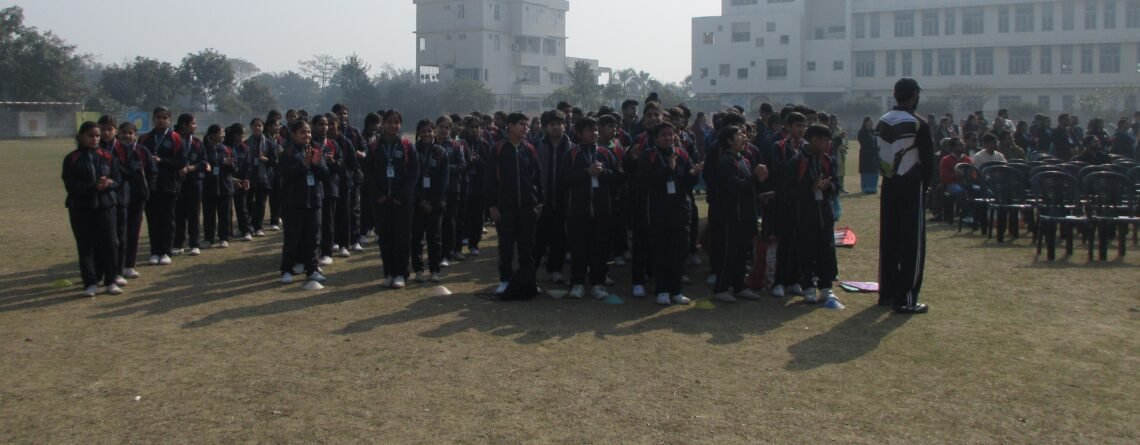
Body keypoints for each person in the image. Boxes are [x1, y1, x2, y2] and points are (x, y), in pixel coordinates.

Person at [876, 78, 934, 314]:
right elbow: (928, 161)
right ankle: (906, 298)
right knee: (912, 242)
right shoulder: (918, 122)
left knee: (889, 238)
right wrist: (926, 187)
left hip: (889, 183)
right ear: (915, 95)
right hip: (911, 184)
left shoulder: (883, 120)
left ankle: (887, 292)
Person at [639, 121, 702, 306]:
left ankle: (676, 290)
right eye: (664, 135)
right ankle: (662, 290)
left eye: (671, 134)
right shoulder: (648, 156)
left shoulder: (682, 153)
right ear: (656, 138)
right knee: (662, 253)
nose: (668, 138)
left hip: (680, 210)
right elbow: (646, 181)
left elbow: (688, 182)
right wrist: (668, 168)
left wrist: (693, 173)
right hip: (659, 211)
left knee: (679, 252)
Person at [560, 117, 619, 300]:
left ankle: (598, 283)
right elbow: (563, 180)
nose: (594, 133)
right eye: (589, 130)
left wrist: (603, 173)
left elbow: (617, 177)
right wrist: (586, 172)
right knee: (578, 249)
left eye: (595, 130)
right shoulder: (571, 154)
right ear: (578, 133)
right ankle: (577, 283)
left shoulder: (606, 153)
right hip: (577, 211)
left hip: (602, 211)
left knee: (599, 250)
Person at [485, 112, 543, 299]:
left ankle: (529, 281)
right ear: (510, 126)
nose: (525, 127)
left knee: (528, 247)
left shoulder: (530, 149)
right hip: (505, 207)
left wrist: (539, 202)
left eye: (526, 124)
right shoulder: (498, 148)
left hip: (527, 206)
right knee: (506, 247)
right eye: (521, 124)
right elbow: (490, 179)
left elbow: (537, 177)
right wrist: (492, 205)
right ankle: (505, 280)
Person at [785, 125, 844, 308]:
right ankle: (809, 287)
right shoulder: (797, 161)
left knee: (827, 250)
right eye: (825, 140)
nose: (828, 144)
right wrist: (810, 190)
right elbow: (789, 191)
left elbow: (836, 185)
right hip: (805, 215)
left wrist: (829, 187)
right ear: (814, 140)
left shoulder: (827, 160)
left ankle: (826, 287)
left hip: (825, 213)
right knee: (806, 251)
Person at [63, 122, 121, 296]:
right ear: (81, 136)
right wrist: (93, 187)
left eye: (97, 136)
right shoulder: (72, 158)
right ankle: (90, 282)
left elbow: (117, 178)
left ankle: (111, 281)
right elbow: (71, 185)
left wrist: (109, 183)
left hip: (106, 206)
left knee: (110, 243)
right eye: (90, 135)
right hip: (81, 207)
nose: (95, 139)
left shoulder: (107, 156)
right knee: (86, 245)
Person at [710, 125, 767, 303]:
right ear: (729, 140)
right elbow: (732, 187)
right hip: (732, 215)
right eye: (739, 134)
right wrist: (755, 177)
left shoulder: (744, 159)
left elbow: (748, 186)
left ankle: (739, 286)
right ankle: (721, 288)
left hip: (746, 215)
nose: (744, 136)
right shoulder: (726, 161)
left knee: (743, 253)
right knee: (730, 253)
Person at [366, 110, 419, 288]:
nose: (393, 125)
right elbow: (368, 174)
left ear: (400, 124)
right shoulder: (374, 147)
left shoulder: (407, 146)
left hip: (403, 202)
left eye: (396, 122)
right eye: (389, 122)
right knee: (385, 238)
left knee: (402, 238)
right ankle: (388, 273)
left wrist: (401, 196)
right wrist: (378, 195)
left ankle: (401, 274)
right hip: (381, 202)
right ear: (383, 124)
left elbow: (414, 174)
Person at [279, 119, 329, 285]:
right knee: (293, 238)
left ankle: (312, 269)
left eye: (308, 132)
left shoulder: (316, 150)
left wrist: (315, 164)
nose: (306, 135)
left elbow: (325, 175)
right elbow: (286, 176)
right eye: (302, 132)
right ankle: (287, 269)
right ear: (294, 134)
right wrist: (304, 164)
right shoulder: (287, 153)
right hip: (294, 202)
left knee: (313, 238)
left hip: (314, 200)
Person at [138, 107, 185, 266]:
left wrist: (161, 161)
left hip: (169, 184)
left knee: (167, 219)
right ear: (153, 119)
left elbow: (182, 162)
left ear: (170, 120)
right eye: (158, 117)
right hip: (150, 186)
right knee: (153, 219)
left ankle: (166, 251)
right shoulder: (144, 138)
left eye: (164, 118)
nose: (161, 120)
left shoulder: (176, 138)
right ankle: (154, 251)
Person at [533, 110, 571, 284]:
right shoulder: (537, 146)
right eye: (552, 124)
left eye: (559, 124)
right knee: (538, 237)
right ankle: (531, 271)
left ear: (564, 126)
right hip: (542, 200)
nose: (556, 127)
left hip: (563, 200)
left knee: (560, 237)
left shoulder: (572, 148)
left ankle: (555, 270)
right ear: (546, 127)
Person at [410, 119, 449, 283]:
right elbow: (410, 179)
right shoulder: (412, 151)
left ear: (434, 132)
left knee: (434, 238)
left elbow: (444, 181)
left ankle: (434, 270)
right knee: (416, 238)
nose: (426, 134)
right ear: (418, 133)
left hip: (435, 203)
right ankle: (419, 270)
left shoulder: (441, 152)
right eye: (423, 131)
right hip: (417, 203)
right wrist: (421, 201)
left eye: (429, 131)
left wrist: (432, 202)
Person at [97, 116, 131, 289]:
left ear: (115, 130)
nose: (106, 133)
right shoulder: (94, 147)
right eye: (103, 129)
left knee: (120, 236)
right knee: (101, 237)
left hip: (120, 196)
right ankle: (100, 272)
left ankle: (118, 271)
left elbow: (130, 171)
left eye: (109, 129)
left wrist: (113, 176)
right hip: (100, 199)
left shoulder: (123, 148)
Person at [114, 121, 149, 280]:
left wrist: (146, 191)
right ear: (118, 134)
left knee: (133, 233)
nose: (127, 136)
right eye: (123, 133)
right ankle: (117, 267)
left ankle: (130, 266)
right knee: (119, 234)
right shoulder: (113, 150)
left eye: (130, 133)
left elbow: (152, 171)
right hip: (118, 198)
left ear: (135, 135)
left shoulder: (141, 151)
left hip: (137, 198)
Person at [309, 114, 342, 266]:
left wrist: (333, 162)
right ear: (313, 125)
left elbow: (341, 165)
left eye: (326, 124)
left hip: (330, 188)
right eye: (321, 124)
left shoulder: (333, 144)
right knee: (315, 224)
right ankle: (312, 254)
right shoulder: (310, 144)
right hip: (314, 189)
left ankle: (327, 253)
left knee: (328, 223)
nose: (324, 127)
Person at [436, 116, 468, 263]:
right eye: (441, 127)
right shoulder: (429, 144)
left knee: (450, 222)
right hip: (434, 191)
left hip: (452, 189)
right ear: (436, 127)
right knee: (436, 223)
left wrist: (445, 168)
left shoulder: (456, 145)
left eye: (447, 127)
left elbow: (462, 165)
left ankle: (447, 253)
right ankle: (436, 253)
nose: (444, 130)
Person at [172, 113, 205, 256]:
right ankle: (178, 244)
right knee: (178, 214)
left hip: (194, 182)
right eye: (193, 123)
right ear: (184, 125)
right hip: (177, 182)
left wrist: (191, 168)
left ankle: (194, 244)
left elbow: (204, 162)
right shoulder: (173, 139)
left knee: (194, 213)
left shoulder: (197, 142)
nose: (195, 126)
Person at [202, 124, 235, 248]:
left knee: (224, 215)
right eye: (221, 133)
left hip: (225, 186)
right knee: (209, 215)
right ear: (212, 135)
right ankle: (208, 239)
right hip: (208, 187)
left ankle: (224, 237)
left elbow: (234, 166)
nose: (223, 135)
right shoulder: (204, 149)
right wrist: (222, 162)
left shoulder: (227, 149)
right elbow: (203, 163)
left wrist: (230, 164)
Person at [245, 118, 276, 237]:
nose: (257, 127)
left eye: (259, 125)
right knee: (248, 203)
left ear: (263, 128)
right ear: (251, 127)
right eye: (255, 125)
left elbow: (275, 161)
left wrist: (265, 159)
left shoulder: (269, 143)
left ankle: (258, 227)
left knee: (261, 204)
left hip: (264, 178)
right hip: (249, 178)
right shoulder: (246, 143)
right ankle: (250, 224)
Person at [857, 117, 879, 194]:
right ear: (865, 122)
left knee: (874, 171)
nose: (871, 123)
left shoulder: (874, 131)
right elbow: (862, 142)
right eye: (870, 121)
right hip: (866, 155)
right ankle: (866, 188)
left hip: (874, 155)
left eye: (872, 121)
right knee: (866, 171)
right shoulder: (862, 132)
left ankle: (873, 188)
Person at [829, 114, 848, 194]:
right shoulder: (829, 130)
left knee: (842, 171)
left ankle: (841, 188)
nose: (837, 121)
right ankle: (836, 187)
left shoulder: (840, 129)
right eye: (835, 120)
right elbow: (831, 141)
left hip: (841, 152)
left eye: (837, 120)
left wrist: (845, 145)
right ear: (831, 121)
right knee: (836, 171)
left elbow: (845, 139)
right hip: (834, 153)